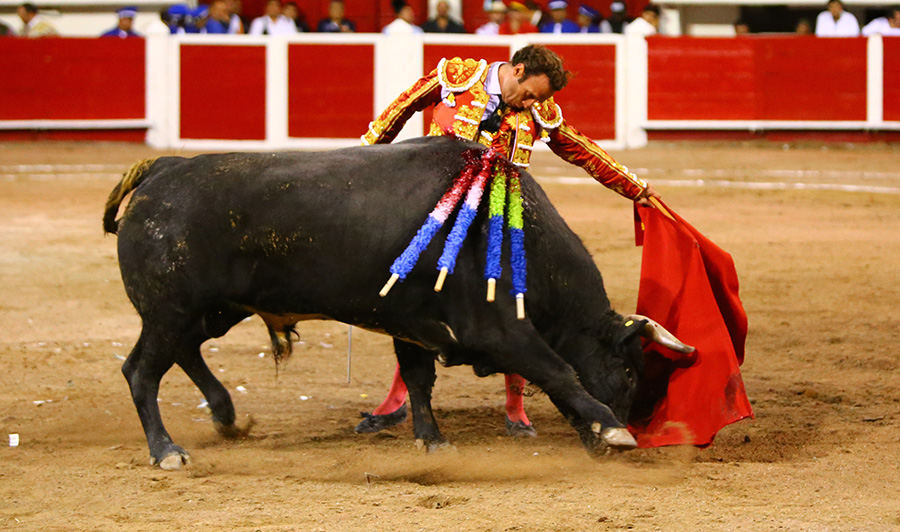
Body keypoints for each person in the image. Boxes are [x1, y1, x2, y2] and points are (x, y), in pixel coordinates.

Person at [357, 45, 660, 437]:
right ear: (517, 70)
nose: (533, 103)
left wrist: (635, 188)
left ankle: (516, 408)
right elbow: (399, 110)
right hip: (436, 213)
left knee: (515, 301)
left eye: (540, 99)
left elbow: (581, 149)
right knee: (416, 302)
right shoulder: (457, 77)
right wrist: (361, 164)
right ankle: (396, 400)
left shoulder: (538, 111)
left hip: (501, 220)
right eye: (531, 93)